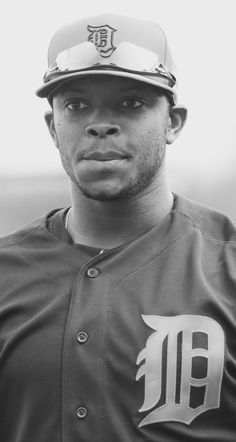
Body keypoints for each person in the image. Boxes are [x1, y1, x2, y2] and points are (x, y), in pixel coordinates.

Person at [0, 13, 235, 442]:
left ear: (173, 122)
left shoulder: (227, 269)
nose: (100, 123)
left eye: (131, 102)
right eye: (75, 105)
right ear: (54, 128)